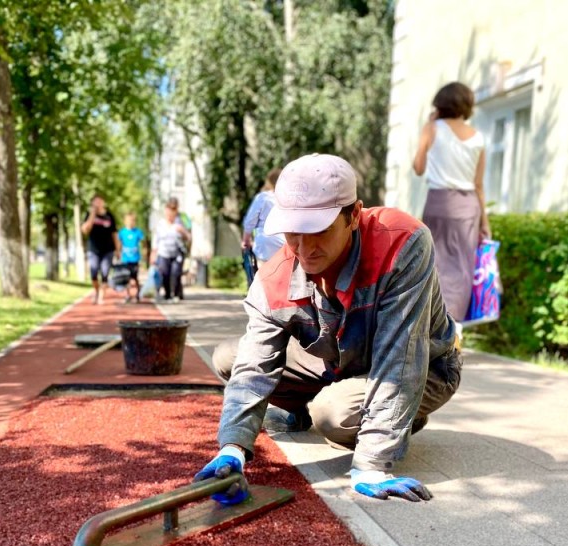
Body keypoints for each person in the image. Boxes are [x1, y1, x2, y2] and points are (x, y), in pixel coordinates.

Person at [194, 154, 462, 503]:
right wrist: (232, 449)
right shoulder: (276, 274)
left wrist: (373, 462)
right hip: (337, 363)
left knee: (332, 413)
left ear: (354, 215)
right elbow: (253, 368)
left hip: (428, 367)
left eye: (318, 230)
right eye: (293, 232)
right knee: (231, 355)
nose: (304, 249)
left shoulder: (402, 244)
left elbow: (402, 354)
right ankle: (318, 411)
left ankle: (397, 419)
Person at [412, 82, 490, 324]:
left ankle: (431, 323)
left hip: (439, 201)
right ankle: (454, 328)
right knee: (462, 269)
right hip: (468, 207)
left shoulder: (432, 128)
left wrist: (430, 124)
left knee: (434, 262)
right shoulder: (478, 137)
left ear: (441, 103)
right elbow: (478, 185)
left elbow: (418, 167)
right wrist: (485, 223)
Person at [241, 167, 285, 285]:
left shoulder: (263, 197)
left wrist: (246, 240)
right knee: (283, 273)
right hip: (284, 241)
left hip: (265, 241)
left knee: (263, 275)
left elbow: (250, 221)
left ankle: (264, 298)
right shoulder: (288, 198)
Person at [81, 194, 121, 304]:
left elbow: (114, 234)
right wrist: (92, 215)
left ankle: (101, 297)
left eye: (100, 201)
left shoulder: (109, 216)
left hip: (108, 250)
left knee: (104, 273)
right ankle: (96, 290)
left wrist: (118, 250)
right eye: (95, 202)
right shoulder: (89, 215)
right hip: (93, 249)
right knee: (93, 272)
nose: (98, 204)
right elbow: (85, 230)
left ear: (104, 202)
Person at [151, 197, 191, 302]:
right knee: (165, 273)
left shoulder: (182, 220)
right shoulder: (161, 223)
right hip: (163, 253)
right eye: (169, 209)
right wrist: (153, 253)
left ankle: (176, 294)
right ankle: (168, 294)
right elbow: (156, 240)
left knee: (176, 273)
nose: (170, 212)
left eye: (173, 209)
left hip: (177, 252)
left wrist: (183, 232)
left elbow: (189, 237)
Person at [117, 212, 147, 303]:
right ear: (125, 221)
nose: (131, 222)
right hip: (125, 259)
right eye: (129, 221)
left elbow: (143, 243)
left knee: (135, 277)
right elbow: (119, 243)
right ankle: (127, 294)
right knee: (126, 278)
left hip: (135, 259)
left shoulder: (138, 232)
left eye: (132, 221)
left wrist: (144, 254)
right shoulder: (122, 232)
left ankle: (138, 294)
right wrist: (118, 253)